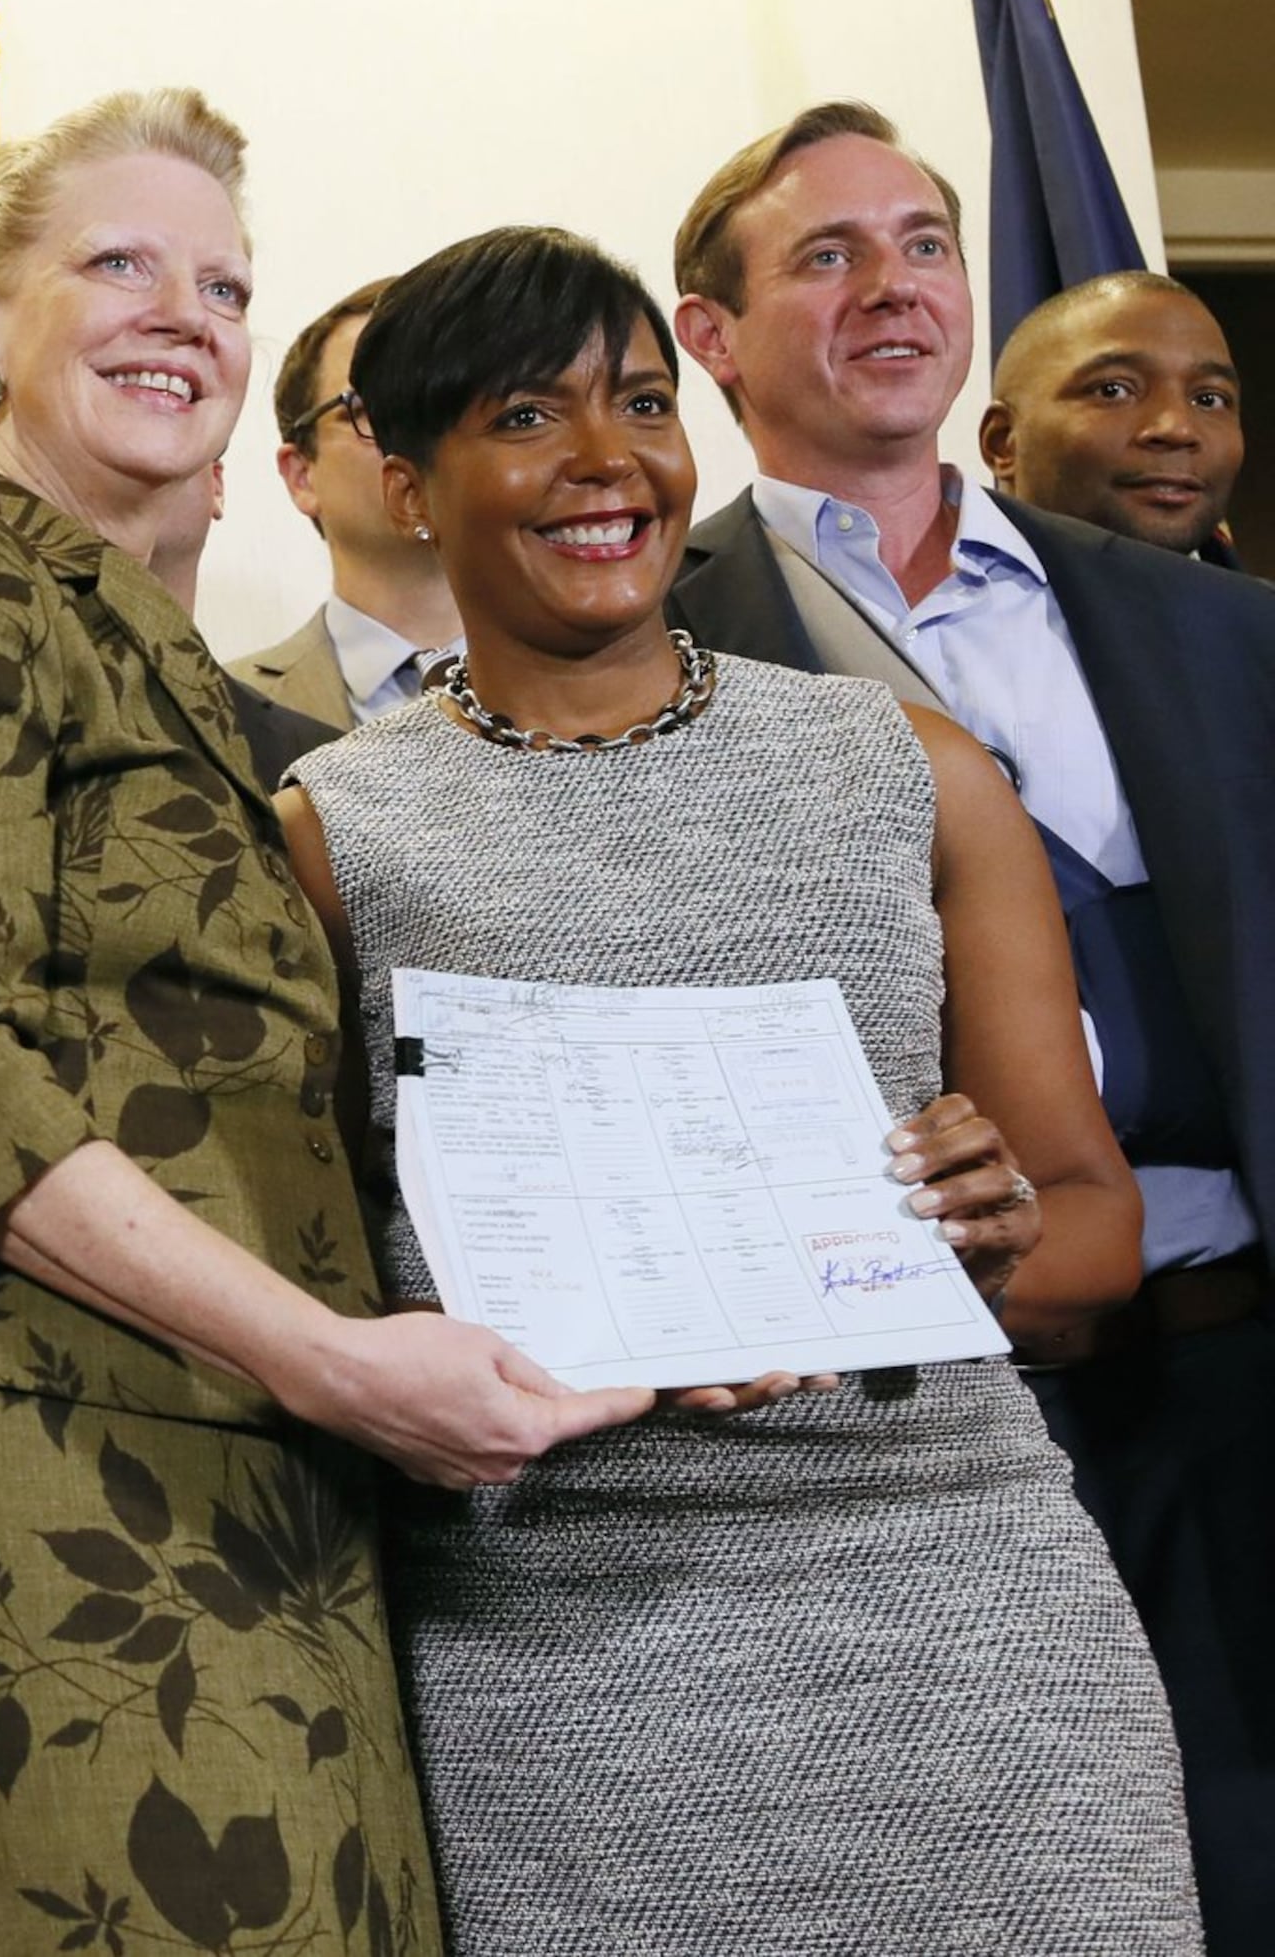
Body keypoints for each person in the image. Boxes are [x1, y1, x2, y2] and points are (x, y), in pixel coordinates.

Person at [0, 85, 650, 1957]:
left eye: (223, 286)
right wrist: (325, 1357)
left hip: (250, 1449)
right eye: (120, 263)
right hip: (20, 1443)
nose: (186, 315)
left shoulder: (159, 657)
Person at [285, 221, 1195, 1953]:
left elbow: (1091, 1224)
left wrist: (974, 1241)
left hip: (962, 1594)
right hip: (567, 1639)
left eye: (641, 401)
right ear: (406, 484)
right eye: (526, 417)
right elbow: (327, 1286)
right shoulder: (333, 833)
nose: (608, 461)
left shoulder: (902, 764)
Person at [666, 100, 1275, 1948]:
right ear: (710, 333)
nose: (892, 287)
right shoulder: (651, 638)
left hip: (1243, 1374)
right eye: (827, 255)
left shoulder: (1214, 632)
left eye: (923, 242)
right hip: (935, 1409)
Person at [228, 275, 463, 728]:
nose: (422, 436)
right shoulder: (221, 712)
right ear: (302, 476)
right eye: (375, 410)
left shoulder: (611, 691)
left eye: (448, 405)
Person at [977, 269, 1243, 567]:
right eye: (1112, 390)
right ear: (1003, 442)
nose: (1177, 429)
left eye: (1209, 399)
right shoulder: (933, 610)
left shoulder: (1254, 612)